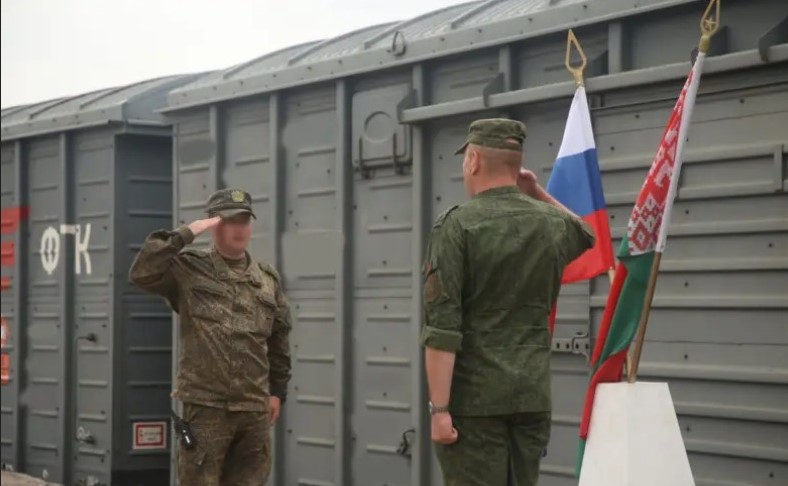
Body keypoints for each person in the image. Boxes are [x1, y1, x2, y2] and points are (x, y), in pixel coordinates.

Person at [421, 119, 595, 486]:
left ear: (472, 160)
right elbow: (585, 233)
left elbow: (442, 328)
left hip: (475, 405)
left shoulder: (456, 226)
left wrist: (439, 410)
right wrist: (537, 193)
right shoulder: (550, 224)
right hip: (530, 398)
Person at [129, 188, 292, 486]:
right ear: (215, 225)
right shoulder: (189, 269)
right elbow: (142, 272)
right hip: (206, 409)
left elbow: (279, 339)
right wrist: (186, 233)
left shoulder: (267, 281)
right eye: (231, 220)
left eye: (244, 220)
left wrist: (277, 392)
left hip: (253, 410)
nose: (239, 228)